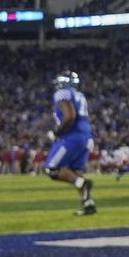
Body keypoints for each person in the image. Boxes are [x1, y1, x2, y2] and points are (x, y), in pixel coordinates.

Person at [43, 71, 96, 216]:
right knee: (75, 171)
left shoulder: (62, 93)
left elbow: (70, 116)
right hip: (86, 136)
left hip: (72, 137)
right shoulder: (79, 95)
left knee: (51, 169)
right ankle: (88, 204)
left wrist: (56, 133)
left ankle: (81, 183)